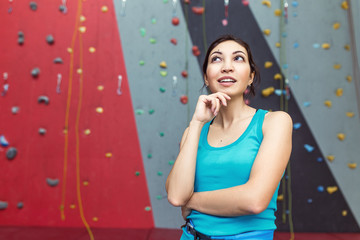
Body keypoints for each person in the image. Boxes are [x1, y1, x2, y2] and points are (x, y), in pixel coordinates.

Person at [165, 34, 292, 240]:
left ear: (251, 76)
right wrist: (196, 123)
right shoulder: (194, 131)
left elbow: (254, 200)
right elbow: (177, 195)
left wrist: (191, 202)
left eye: (238, 58)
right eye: (216, 59)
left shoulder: (275, 122)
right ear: (206, 76)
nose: (226, 67)